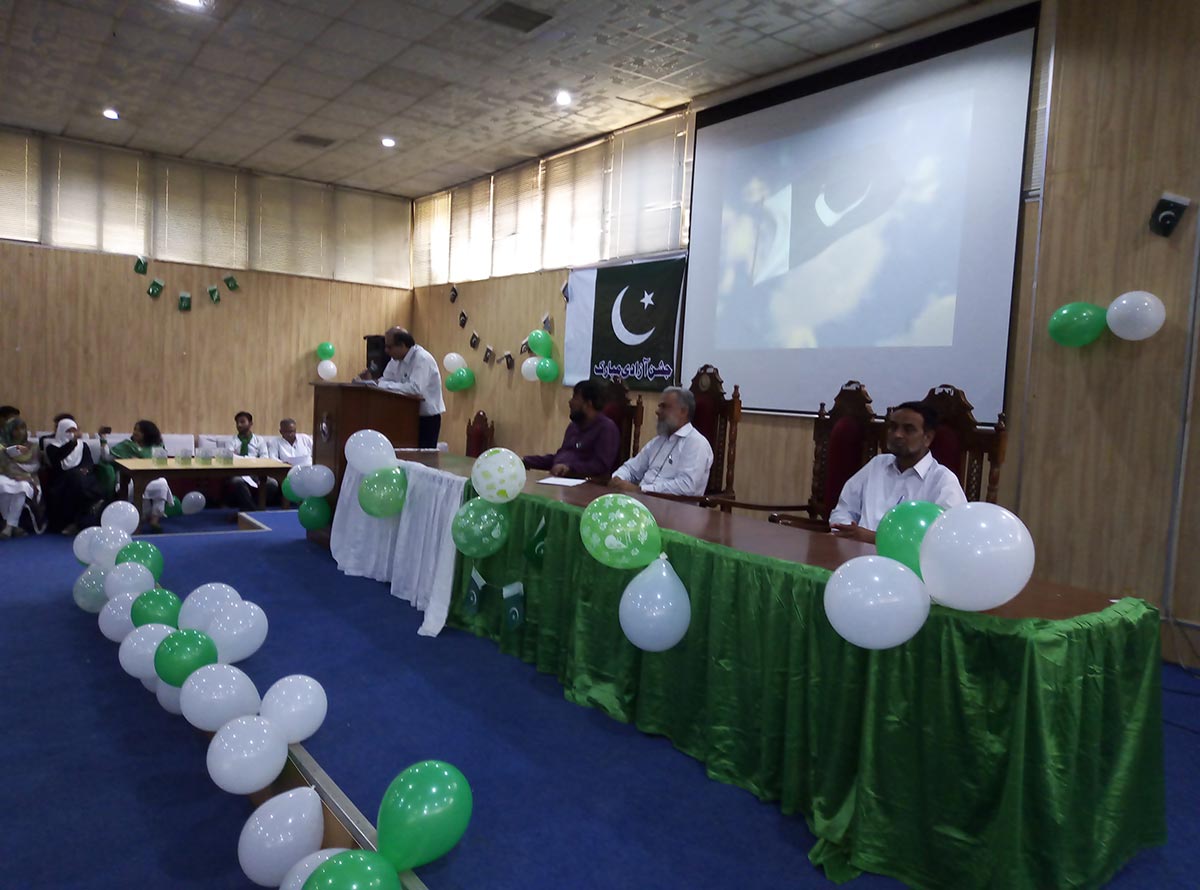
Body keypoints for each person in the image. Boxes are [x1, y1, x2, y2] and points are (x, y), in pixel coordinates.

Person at [829, 401, 967, 544]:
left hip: (908, 557)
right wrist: (846, 531)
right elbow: (844, 509)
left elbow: (947, 538)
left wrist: (872, 538)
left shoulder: (943, 481)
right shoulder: (877, 465)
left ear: (927, 438)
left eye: (908, 429)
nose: (897, 435)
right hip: (855, 550)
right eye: (893, 427)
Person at [610, 387, 713, 497]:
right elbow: (631, 468)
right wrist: (618, 478)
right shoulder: (658, 441)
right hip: (642, 500)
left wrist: (641, 490)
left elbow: (686, 486)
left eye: (664, 407)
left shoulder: (696, 443)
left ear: (683, 411)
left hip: (674, 506)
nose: (657, 411)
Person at [359, 327, 445, 449]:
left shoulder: (422, 359)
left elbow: (415, 389)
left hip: (425, 419)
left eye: (389, 347)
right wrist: (373, 382)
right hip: (403, 416)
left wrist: (380, 384)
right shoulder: (395, 361)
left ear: (403, 345)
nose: (386, 351)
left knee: (423, 457)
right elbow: (385, 380)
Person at [524, 380, 620, 477]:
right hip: (560, 480)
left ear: (588, 404)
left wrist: (570, 468)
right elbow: (559, 458)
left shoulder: (606, 428)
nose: (570, 402)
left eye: (575, 398)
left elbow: (600, 466)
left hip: (587, 483)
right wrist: (525, 461)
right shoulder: (573, 427)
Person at [100, 420, 175, 533]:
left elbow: (162, 462)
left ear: (148, 433)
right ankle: (138, 519)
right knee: (139, 485)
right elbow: (106, 457)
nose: (135, 432)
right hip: (129, 478)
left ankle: (155, 520)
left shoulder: (157, 446)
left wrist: (141, 461)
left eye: (139, 431)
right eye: (135, 429)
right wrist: (103, 439)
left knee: (162, 483)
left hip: (152, 476)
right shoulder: (127, 445)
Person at [44, 417, 106, 535]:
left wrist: (86, 469)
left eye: (74, 430)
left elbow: (89, 463)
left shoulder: (83, 446)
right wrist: (72, 443)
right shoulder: (52, 447)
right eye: (69, 431)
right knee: (74, 479)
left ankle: (79, 523)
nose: (72, 434)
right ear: (61, 431)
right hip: (62, 478)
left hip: (83, 477)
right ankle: (80, 518)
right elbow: (57, 464)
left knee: (78, 480)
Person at [224, 411, 275, 512]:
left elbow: (264, 457)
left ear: (250, 424)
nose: (239, 425)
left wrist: (241, 458)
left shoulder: (259, 440)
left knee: (273, 484)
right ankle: (255, 511)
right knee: (237, 482)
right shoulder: (232, 441)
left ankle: (249, 507)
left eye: (242, 422)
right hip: (239, 473)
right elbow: (229, 457)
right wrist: (251, 459)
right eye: (237, 423)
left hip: (257, 473)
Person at [0, 417, 42, 537]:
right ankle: (12, 525)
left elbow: (35, 466)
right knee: (3, 485)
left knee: (22, 487)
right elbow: (4, 465)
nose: (20, 432)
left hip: (29, 477)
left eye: (22, 428)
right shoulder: (4, 447)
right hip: (7, 474)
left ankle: (8, 527)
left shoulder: (33, 446)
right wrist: (15, 474)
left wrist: (23, 475)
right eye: (16, 429)